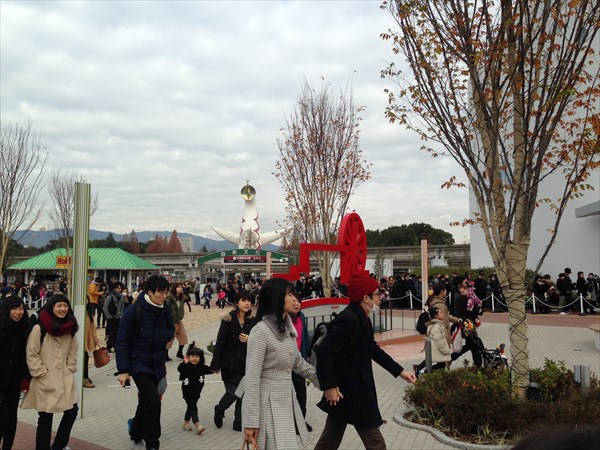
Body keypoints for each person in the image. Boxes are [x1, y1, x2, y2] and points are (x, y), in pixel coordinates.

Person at [314, 271, 416, 450]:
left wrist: (400, 371)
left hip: (350, 391)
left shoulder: (362, 317)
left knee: (329, 441)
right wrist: (329, 386)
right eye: (377, 293)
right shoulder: (349, 319)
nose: (381, 297)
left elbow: (373, 350)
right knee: (376, 444)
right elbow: (324, 352)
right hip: (350, 392)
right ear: (366, 298)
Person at [236, 278, 319, 450]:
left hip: (285, 403)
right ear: (277, 298)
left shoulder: (287, 329)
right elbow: (252, 378)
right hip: (267, 406)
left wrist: (327, 381)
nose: (295, 299)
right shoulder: (261, 331)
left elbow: (299, 364)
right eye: (290, 294)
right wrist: (251, 422)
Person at [116, 275, 174, 450]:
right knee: (154, 402)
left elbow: (170, 328)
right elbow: (122, 341)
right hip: (139, 362)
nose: (164, 296)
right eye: (160, 292)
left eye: (166, 292)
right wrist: (123, 370)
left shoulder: (164, 309)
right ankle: (152, 444)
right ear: (150, 292)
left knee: (146, 401)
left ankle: (136, 431)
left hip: (157, 362)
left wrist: (166, 337)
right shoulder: (134, 311)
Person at [21, 294, 79, 450]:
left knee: (72, 411)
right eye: (59, 306)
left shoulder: (70, 327)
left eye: (65, 306)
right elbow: (31, 353)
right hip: (44, 379)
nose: (62, 309)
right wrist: (41, 372)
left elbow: (73, 350)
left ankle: (59, 445)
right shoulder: (40, 328)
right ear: (52, 307)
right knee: (45, 417)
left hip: (64, 378)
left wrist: (70, 367)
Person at [211, 290, 254, 432]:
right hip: (229, 363)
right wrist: (215, 363)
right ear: (236, 302)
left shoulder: (253, 320)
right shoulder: (228, 319)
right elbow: (220, 342)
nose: (247, 303)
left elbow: (260, 340)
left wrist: (250, 339)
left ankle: (238, 421)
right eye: (244, 300)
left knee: (243, 393)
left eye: (249, 300)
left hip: (245, 363)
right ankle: (220, 408)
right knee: (233, 392)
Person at [0, 296, 31, 450]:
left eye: (21, 309)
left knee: (12, 419)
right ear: (7, 310)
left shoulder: (25, 328)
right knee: (3, 417)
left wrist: (25, 377)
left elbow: (25, 356)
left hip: (14, 382)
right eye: (14, 309)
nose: (18, 312)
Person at [289, 292, 313, 432]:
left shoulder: (301, 317)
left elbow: (305, 337)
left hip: (299, 362)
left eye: (298, 301)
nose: (296, 304)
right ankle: (289, 422)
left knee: (301, 393)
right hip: (285, 363)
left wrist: (307, 354)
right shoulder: (283, 319)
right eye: (293, 301)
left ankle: (300, 421)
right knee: (287, 394)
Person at [177, 344, 213, 435]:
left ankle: (186, 423)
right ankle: (198, 425)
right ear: (188, 357)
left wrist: (217, 367)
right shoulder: (185, 366)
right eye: (192, 356)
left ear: (201, 358)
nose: (194, 358)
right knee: (193, 406)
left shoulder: (202, 367)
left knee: (190, 407)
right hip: (187, 392)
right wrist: (184, 362)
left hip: (197, 392)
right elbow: (179, 369)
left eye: (197, 357)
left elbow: (211, 370)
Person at [166, 283, 189, 361]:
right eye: (178, 287)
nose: (181, 288)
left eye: (181, 287)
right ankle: (165, 354)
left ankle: (179, 353)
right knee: (170, 339)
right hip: (172, 321)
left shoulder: (181, 297)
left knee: (183, 337)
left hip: (179, 320)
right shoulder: (170, 298)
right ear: (175, 288)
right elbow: (166, 309)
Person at [103, 282, 125, 353]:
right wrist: (109, 317)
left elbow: (122, 307)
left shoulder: (121, 297)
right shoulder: (110, 296)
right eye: (118, 288)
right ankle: (116, 347)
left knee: (116, 333)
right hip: (111, 317)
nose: (119, 289)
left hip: (118, 318)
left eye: (120, 288)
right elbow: (105, 307)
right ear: (114, 288)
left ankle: (108, 347)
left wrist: (121, 315)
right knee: (113, 333)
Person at [84, 297, 100, 388]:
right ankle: (84, 378)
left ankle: (85, 377)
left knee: (85, 358)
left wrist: (95, 340)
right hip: (77, 341)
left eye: (87, 299)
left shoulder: (88, 313)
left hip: (86, 340)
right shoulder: (75, 312)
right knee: (83, 358)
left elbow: (92, 328)